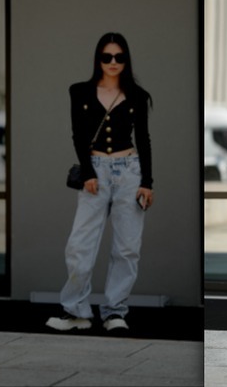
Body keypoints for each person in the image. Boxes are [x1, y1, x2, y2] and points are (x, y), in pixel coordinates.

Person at [47, 32, 154, 332]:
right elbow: (78, 135)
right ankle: (76, 311)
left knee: (127, 248)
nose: (113, 62)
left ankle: (115, 313)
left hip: (130, 171)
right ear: (98, 59)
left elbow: (143, 140)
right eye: (107, 57)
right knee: (80, 245)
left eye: (119, 57)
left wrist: (147, 181)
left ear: (126, 60)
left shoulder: (137, 96)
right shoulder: (79, 91)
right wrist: (89, 172)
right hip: (95, 171)